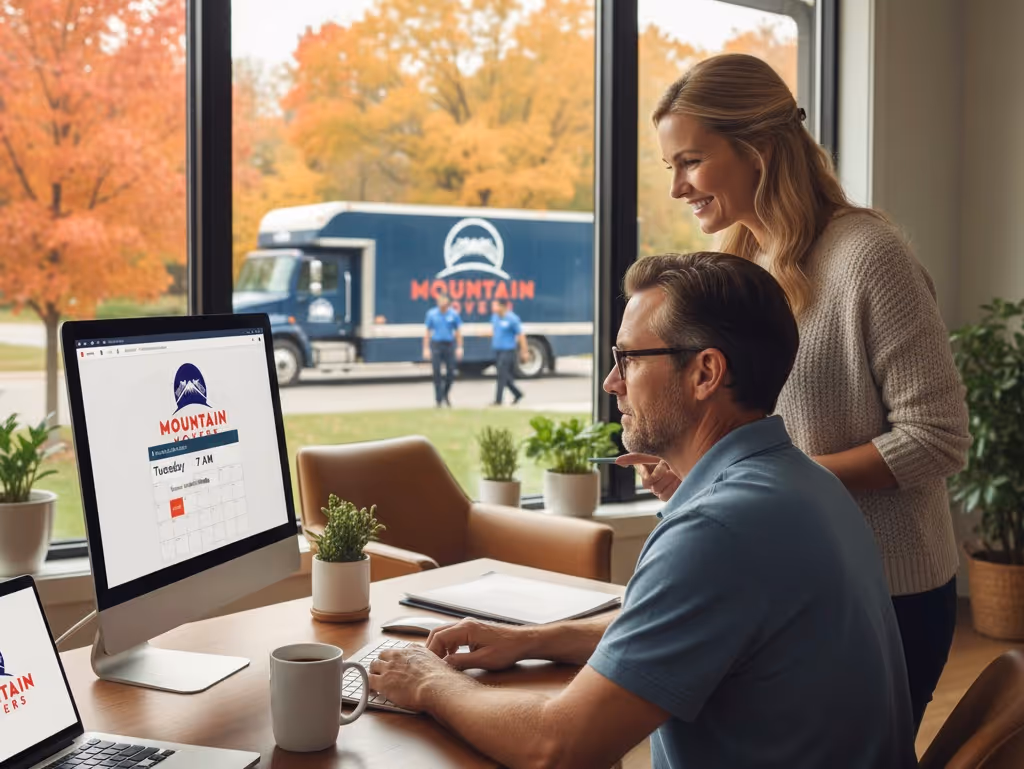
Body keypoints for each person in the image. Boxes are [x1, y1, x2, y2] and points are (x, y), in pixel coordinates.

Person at [369, 253, 916, 769]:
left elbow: (556, 747)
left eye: (627, 359)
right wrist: (531, 640)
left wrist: (426, 681)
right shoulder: (805, 483)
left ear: (705, 373)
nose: (611, 382)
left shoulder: (718, 529)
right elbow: (673, 632)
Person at [618, 53, 970, 731]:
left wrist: (767, 486)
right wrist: (699, 473)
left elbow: (938, 437)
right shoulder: (738, 265)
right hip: (781, 578)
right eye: (671, 168)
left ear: (757, 149)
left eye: (689, 161)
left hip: (885, 588)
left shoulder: (869, 256)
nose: (678, 188)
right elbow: (751, 435)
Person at [422, 293, 462, 407]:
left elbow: (458, 332)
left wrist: (459, 347)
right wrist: (426, 348)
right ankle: (438, 399)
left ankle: (445, 393)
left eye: (444, 303)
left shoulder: (453, 315)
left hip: (449, 344)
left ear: (448, 304)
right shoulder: (432, 314)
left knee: (451, 372)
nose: (442, 305)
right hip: (436, 344)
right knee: (436, 372)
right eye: (440, 303)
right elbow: (427, 331)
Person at [490, 299, 527, 405]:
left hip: (508, 351)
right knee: (503, 375)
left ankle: (498, 400)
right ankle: (517, 393)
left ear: (503, 307)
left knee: (501, 375)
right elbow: (495, 332)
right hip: (497, 350)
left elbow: (521, 335)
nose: (493, 308)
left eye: (496, 305)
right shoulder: (495, 318)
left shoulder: (512, 319)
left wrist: (524, 352)